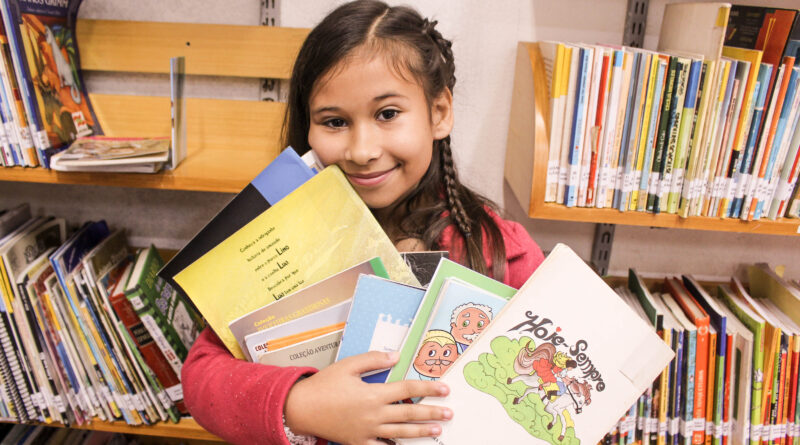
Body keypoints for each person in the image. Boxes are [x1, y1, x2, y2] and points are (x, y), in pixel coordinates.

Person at [181, 1, 545, 444]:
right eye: (335, 122)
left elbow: (542, 389)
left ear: (439, 112)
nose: (361, 149)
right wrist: (302, 404)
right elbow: (203, 377)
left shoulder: (505, 251)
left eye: (387, 114)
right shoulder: (277, 239)